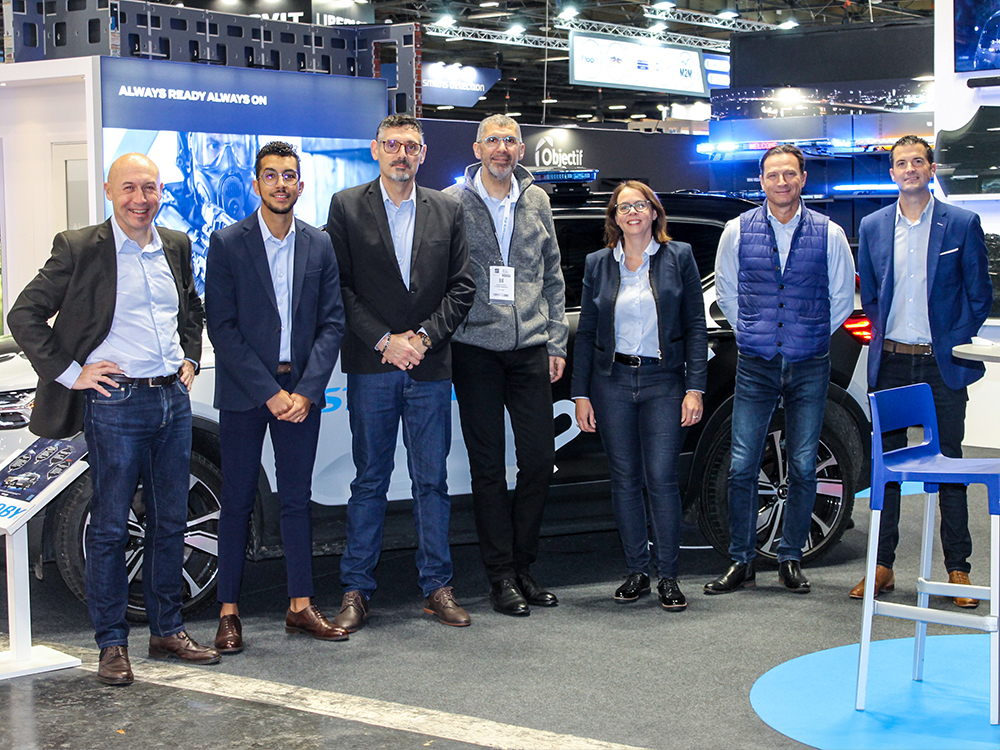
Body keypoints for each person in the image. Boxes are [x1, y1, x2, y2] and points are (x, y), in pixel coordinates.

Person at [8, 153, 220, 686]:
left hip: (172, 401)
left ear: (160, 192)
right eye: (129, 188)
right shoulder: (80, 248)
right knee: (107, 527)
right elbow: (24, 313)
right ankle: (111, 644)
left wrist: (189, 356)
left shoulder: (175, 243)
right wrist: (71, 372)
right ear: (109, 190)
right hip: (115, 404)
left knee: (169, 521)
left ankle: (167, 629)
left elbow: (190, 308)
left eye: (149, 188)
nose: (139, 199)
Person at [325, 114, 476, 630]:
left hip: (430, 367)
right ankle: (356, 590)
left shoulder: (449, 209)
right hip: (372, 365)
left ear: (423, 153)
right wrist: (386, 341)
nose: (401, 154)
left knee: (430, 481)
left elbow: (462, 287)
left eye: (410, 146)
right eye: (392, 144)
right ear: (375, 150)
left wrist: (424, 339)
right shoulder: (346, 206)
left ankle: (437, 586)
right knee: (370, 479)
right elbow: (340, 288)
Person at [205, 141, 348, 652]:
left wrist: (307, 391)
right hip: (248, 393)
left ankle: (300, 607)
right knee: (238, 501)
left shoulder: (320, 244)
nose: (281, 184)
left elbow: (333, 322)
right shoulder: (226, 243)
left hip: (302, 392)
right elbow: (221, 328)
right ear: (257, 183)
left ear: (300, 184)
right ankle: (228, 612)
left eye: (289, 175)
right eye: (271, 175)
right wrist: (270, 394)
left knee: (295, 500)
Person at [705, 144, 856, 595]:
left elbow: (842, 299)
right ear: (762, 180)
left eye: (790, 174)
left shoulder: (829, 233)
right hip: (756, 363)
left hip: (811, 363)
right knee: (742, 465)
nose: (782, 182)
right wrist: (754, 330)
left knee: (805, 464)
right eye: (774, 175)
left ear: (803, 178)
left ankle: (790, 556)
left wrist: (805, 333)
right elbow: (727, 291)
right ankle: (741, 559)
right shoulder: (737, 230)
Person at [852, 134, 992, 608]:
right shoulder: (872, 226)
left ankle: (958, 570)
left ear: (931, 169)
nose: (908, 169)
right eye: (900, 163)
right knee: (886, 468)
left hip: (941, 364)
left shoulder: (961, 223)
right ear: (891, 173)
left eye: (917, 162)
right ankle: (883, 566)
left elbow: (979, 296)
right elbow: (871, 295)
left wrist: (953, 339)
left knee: (949, 465)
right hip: (890, 361)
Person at [442, 114, 568, 617]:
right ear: (477, 148)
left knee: (538, 462)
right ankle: (500, 576)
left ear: (521, 149)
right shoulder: (451, 203)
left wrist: (555, 343)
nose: (501, 148)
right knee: (488, 468)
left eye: (510, 140)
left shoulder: (537, 200)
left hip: (530, 349)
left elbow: (554, 276)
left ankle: (524, 566)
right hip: (473, 350)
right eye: (492, 140)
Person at [572, 182, 707, 610]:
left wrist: (695, 387)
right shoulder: (598, 263)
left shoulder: (678, 256)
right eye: (623, 206)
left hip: (663, 382)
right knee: (625, 480)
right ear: (614, 217)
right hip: (611, 383)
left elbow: (696, 325)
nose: (632, 212)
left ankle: (668, 574)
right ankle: (637, 571)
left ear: (653, 211)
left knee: (662, 479)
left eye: (639, 205)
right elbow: (588, 332)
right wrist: (581, 394)